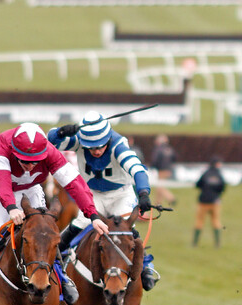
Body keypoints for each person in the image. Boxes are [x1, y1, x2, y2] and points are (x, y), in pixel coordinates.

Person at [0, 123, 109, 305]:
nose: (30, 166)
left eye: (35, 161)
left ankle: (61, 277)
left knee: (44, 234)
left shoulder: (50, 152)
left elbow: (74, 182)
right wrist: (11, 207)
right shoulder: (0, 146)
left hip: (31, 189)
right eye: (24, 161)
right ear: (14, 152)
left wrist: (93, 214)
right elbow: (0, 182)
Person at [48, 111, 161, 291]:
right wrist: (60, 132)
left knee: (126, 230)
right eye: (91, 147)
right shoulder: (79, 140)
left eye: (100, 146)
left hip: (121, 195)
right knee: (79, 223)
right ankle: (53, 259)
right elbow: (50, 141)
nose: (97, 151)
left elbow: (138, 170)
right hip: (93, 194)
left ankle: (146, 267)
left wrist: (144, 193)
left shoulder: (118, 145)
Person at [193, 155, 227, 248]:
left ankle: (195, 243)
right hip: (215, 202)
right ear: (217, 164)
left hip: (203, 201)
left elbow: (198, 184)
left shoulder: (205, 173)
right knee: (216, 221)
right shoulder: (219, 174)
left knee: (199, 222)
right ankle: (217, 244)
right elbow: (223, 187)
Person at [150, 134, 177, 206]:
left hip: (161, 170)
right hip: (169, 170)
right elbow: (174, 158)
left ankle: (171, 198)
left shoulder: (158, 149)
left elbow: (155, 160)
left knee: (160, 187)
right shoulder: (170, 149)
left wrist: (153, 167)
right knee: (160, 186)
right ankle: (158, 202)